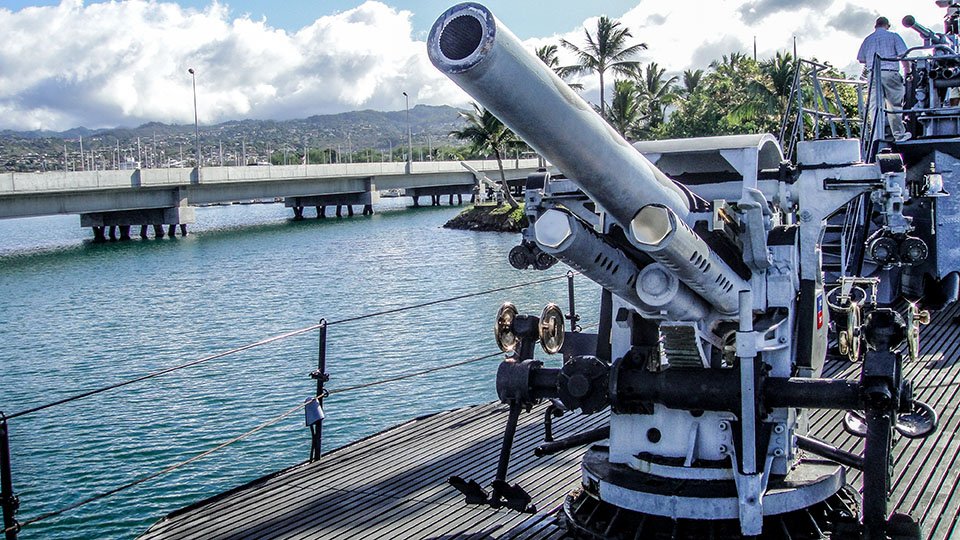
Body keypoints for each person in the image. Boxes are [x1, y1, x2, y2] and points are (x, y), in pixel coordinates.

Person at [858, 16, 912, 142]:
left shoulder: (868, 39)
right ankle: (899, 135)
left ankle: (876, 137)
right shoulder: (893, 36)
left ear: (875, 26)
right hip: (890, 72)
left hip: (873, 74)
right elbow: (903, 55)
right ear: (887, 25)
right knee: (894, 105)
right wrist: (908, 72)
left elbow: (861, 58)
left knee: (874, 106)